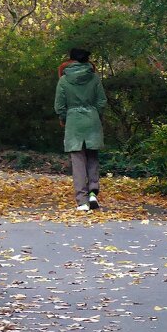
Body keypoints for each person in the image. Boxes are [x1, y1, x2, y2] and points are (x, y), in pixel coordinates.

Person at [55, 47, 107, 212]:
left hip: (74, 122)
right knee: (92, 157)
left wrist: (64, 118)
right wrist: (96, 115)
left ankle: (82, 201)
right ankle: (93, 192)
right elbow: (101, 101)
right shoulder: (94, 78)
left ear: (71, 60)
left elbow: (59, 106)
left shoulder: (64, 80)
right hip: (92, 120)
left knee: (78, 161)